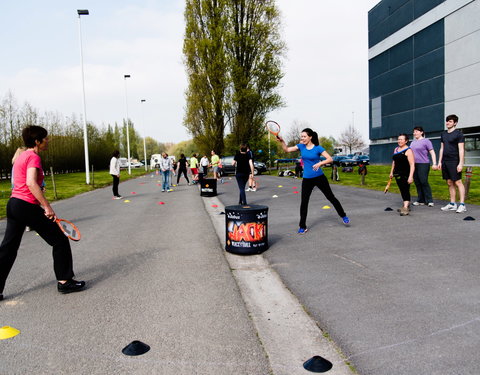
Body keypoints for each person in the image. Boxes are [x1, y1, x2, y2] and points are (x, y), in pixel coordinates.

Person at [0, 125, 85, 301]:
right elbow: (31, 183)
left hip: (13, 204)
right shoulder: (33, 157)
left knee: (8, 248)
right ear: (37, 141)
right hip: (25, 205)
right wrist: (47, 206)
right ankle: (65, 281)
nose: (48, 141)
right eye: (45, 138)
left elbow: (20, 178)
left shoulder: (21, 156)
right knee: (60, 240)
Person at [277, 128, 350, 234]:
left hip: (319, 177)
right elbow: (287, 150)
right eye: (301, 136)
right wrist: (282, 141)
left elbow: (330, 159)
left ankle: (343, 215)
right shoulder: (301, 146)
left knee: (330, 197)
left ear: (310, 137)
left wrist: (320, 163)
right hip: (307, 179)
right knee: (304, 202)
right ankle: (302, 226)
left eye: (304, 136)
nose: (302, 138)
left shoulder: (318, 148)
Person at [438, 114, 467, 213]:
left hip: (454, 161)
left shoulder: (459, 134)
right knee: (449, 182)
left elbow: (461, 150)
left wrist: (460, 163)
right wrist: (439, 161)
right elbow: (442, 148)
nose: (447, 123)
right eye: (447, 121)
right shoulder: (443, 134)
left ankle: (462, 205)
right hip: (445, 161)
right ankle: (452, 204)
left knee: (458, 182)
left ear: (455, 123)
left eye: (450, 121)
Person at [410, 126, 437, 207]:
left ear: (421, 132)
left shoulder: (426, 141)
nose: (415, 133)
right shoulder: (412, 142)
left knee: (423, 181)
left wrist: (434, 163)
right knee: (417, 182)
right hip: (414, 165)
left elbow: (432, 152)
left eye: (416, 131)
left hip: (423, 164)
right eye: (414, 132)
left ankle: (429, 200)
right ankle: (421, 200)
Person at [389, 134, 415, 216]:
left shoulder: (408, 150)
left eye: (401, 139)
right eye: (398, 139)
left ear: (406, 141)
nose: (399, 141)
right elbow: (394, 162)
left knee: (405, 189)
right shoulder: (396, 149)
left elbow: (412, 164)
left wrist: (411, 176)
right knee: (402, 189)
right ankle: (405, 205)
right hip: (397, 173)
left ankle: (405, 208)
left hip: (405, 174)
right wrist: (391, 172)